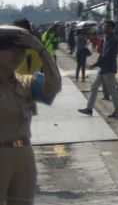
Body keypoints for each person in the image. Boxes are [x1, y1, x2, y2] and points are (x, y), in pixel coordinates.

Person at [0, 24, 62, 205]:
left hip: (24, 155)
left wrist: (42, 51)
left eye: (22, 51)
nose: (17, 55)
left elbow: (53, 87)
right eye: (10, 50)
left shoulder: (26, 82)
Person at [78, 20, 118, 119]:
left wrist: (95, 64)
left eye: (108, 27)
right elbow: (103, 53)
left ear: (112, 28)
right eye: (104, 26)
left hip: (109, 68)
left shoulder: (113, 40)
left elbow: (108, 55)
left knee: (112, 90)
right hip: (103, 68)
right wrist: (99, 63)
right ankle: (89, 108)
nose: (105, 28)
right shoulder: (106, 38)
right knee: (94, 87)